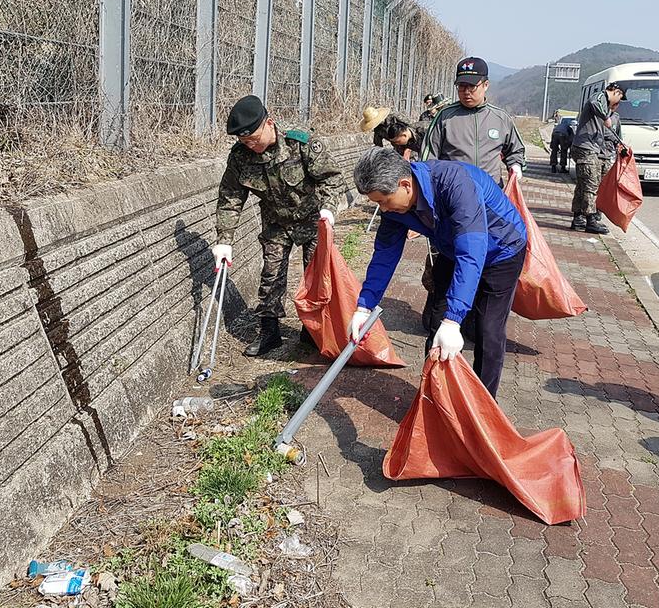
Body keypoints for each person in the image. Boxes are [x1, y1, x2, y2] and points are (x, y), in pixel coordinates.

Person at [347, 148, 527, 397]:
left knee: (487, 329)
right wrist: (364, 307)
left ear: (405, 185)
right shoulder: (396, 209)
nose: (383, 210)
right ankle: (435, 398)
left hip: (501, 251)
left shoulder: (454, 184)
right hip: (453, 249)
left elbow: (472, 253)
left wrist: (454, 320)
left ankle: (483, 407)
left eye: (383, 201)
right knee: (436, 322)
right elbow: (384, 256)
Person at [212, 95, 343, 357]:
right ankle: (269, 332)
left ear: (269, 124)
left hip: (312, 219)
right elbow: (230, 197)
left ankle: (312, 330)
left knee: (315, 275)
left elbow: (331, 178)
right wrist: (224, 240)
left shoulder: (300, 143)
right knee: (271, 275)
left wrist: (328, 209)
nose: (250, 145)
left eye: (253, 138)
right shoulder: (240, 158)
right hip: (276, 222)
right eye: (243, 141)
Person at [422, 57, 526, 185]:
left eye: (472, 86)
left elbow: (515, 150)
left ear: (486, 85)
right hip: (453, 192)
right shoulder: (445, 117)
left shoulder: (501, 118)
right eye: (461, 86)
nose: (466, 92)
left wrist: (515, 165)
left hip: (491, 194)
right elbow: (428, 157)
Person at [570, 82, 625, 234]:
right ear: (616, 92)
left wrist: (619, 144)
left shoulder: (608, 110)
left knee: (583, 184)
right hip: (585, 148)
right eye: (619, 98)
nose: (616, 104)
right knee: (592, 185)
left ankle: (578, 218)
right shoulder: (599, 97)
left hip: (590, 148)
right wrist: (605, 116)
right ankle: (591, 220)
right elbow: (594, 103)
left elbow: (611, 134)